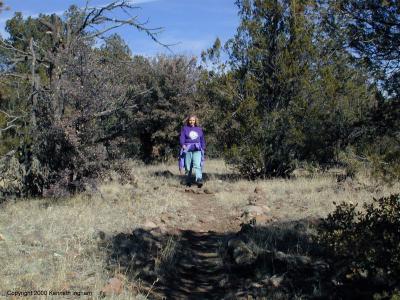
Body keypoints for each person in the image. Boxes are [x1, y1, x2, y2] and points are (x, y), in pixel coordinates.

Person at [179, 115, 206, 187]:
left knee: (197, 165)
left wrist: (203, 147)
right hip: (187, 149)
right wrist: (183, 145)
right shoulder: (185, 129)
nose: (192, 122)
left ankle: (199, 180)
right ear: (188, 121)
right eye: (190, 120)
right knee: (188, 166)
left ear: (195, 121)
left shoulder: (199, 129)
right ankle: (188, 181)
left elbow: (202, 139)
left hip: (197, 149)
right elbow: (182, 138)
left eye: (193, 120)